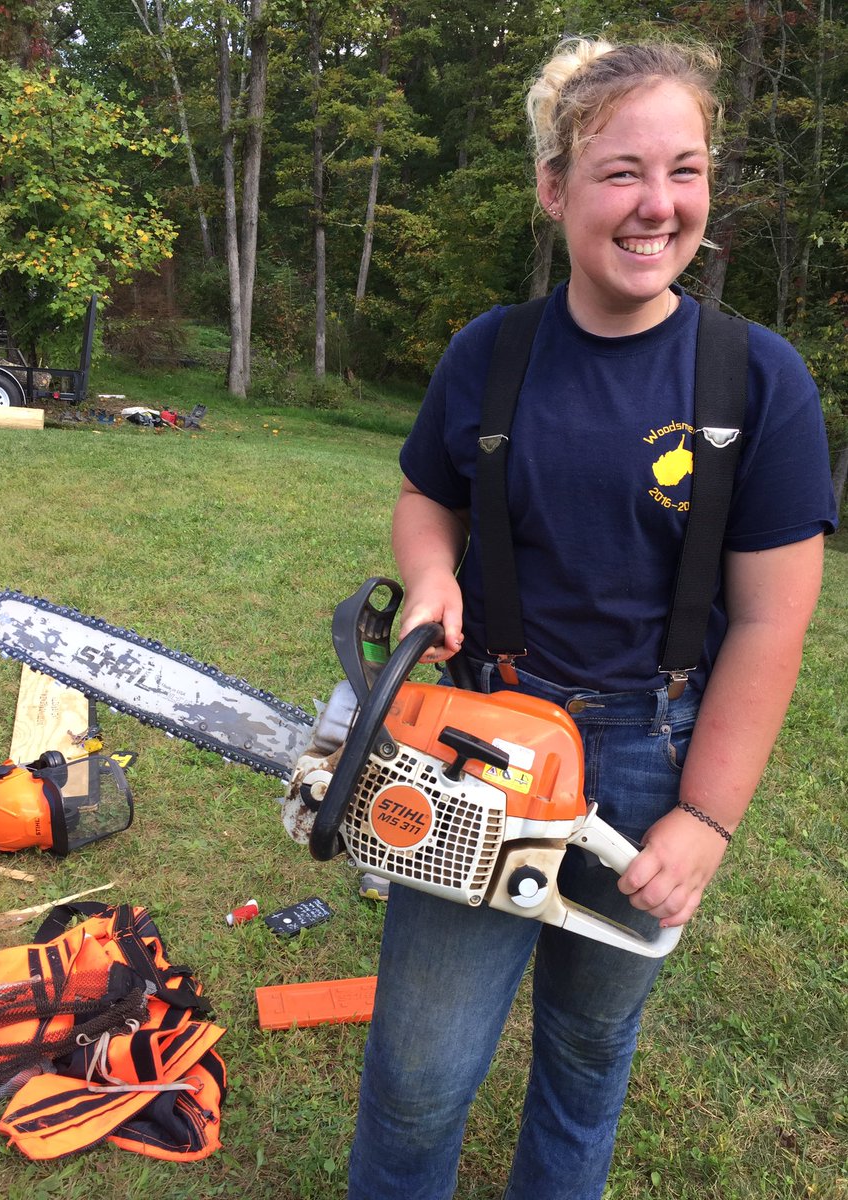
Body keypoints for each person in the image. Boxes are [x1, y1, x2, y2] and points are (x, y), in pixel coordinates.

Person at [346, 36, 838, 1200]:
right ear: (556, 186)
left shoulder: (757, 381)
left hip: (649, 758)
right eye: (621, 172)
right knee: (419, 1069)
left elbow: (772, 624)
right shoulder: (491, 353)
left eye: (686, 168)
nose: (657, 205)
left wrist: (705, 823)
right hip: (480, 746)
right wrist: (430, 576)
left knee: (585, 1054)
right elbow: (430, 493)